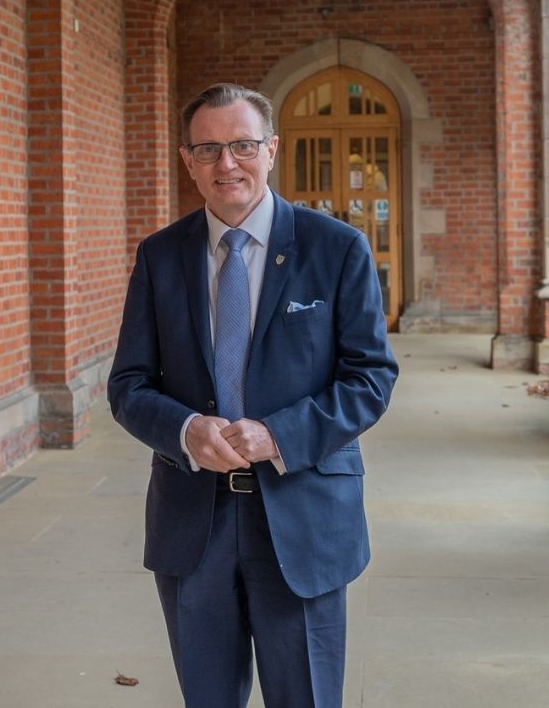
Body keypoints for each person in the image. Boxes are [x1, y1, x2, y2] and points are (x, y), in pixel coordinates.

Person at [108, 83, 398, 707]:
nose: (226, 164)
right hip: (194, 520)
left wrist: (279, 435)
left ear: (271, 149)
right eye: (208, 149)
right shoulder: (160, 257)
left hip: (302, 515)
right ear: (187, 160)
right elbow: (129, 385)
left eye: (241, 145)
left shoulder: (337, 248)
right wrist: (187, 431)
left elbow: (371, 378)